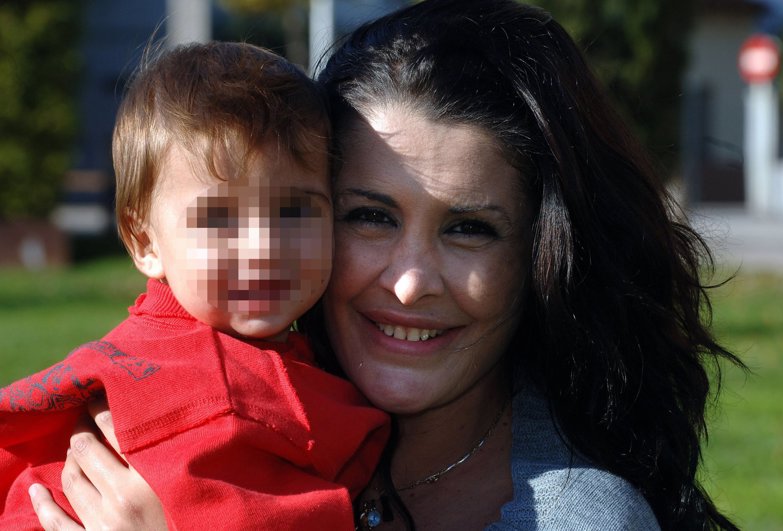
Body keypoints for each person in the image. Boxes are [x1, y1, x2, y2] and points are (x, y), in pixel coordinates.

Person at [29, 0, 743, 529]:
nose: (408, 281)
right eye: (370, 216)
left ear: (541, 255)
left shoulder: (576, 516)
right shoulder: (195, 399)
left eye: (469, 229)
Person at [0, 41, 389, 530]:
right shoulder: (223, 401)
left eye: (294, 209)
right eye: (218, 217)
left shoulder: (149, 350)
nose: (263, 247)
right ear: (145, 241)